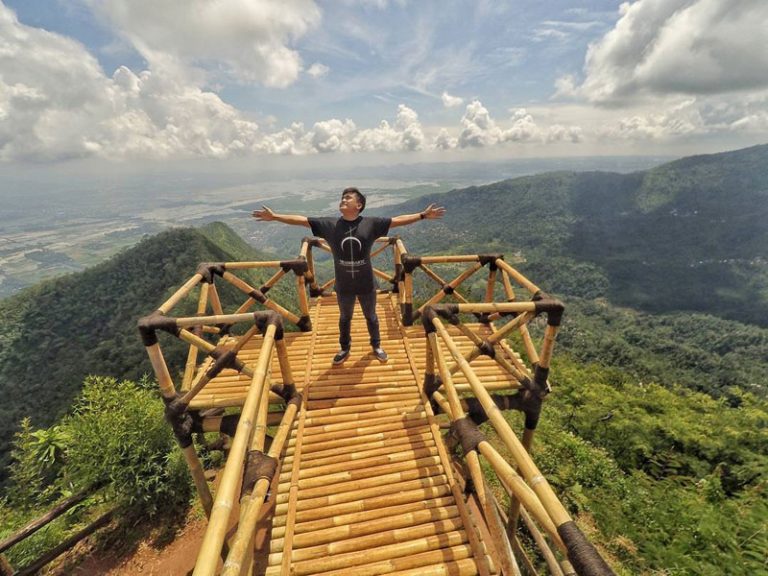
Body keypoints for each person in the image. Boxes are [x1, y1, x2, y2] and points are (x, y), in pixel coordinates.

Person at [253, 187, 445, 365]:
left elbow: (397, 220)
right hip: (343, 285)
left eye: (348, 198)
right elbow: (302, 220)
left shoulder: (371, 224)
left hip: (366, 283)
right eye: (342, 197)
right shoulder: (329, 225)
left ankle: (376, 345)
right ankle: (344, 348)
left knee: (371, 317)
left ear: (358, 205)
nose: (343, 200)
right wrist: (275, 216)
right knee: (345, 318)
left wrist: (422, 215)